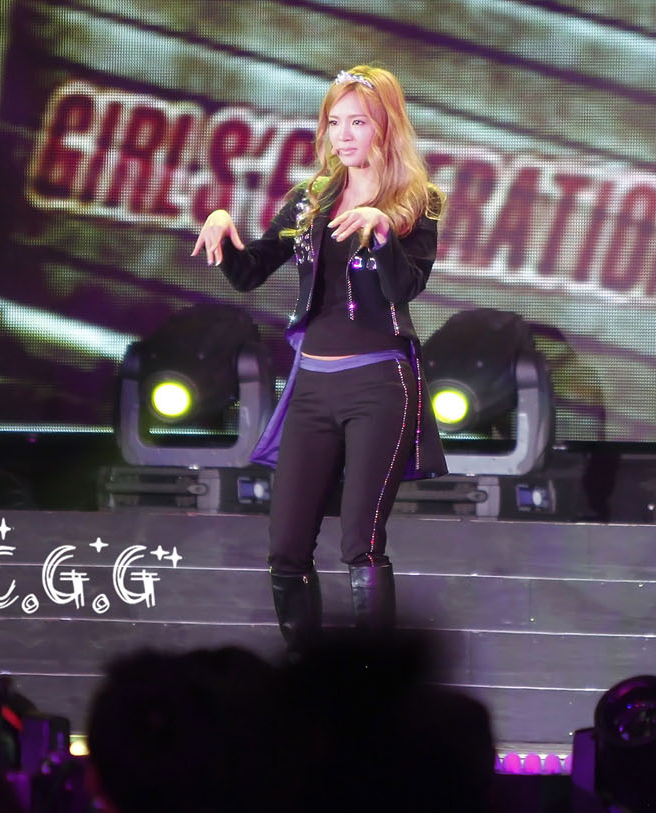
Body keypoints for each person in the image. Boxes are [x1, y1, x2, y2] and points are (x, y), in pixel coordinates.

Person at [191, 66, 447, 657]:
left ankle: (375, 685)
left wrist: (381, 233)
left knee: (361, 543)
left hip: (380, 386)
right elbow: (251, 272)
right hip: (312, 387)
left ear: (386, 126)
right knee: (286, 548)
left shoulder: (418, 202)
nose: (343, 135)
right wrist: (225, 228)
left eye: (358, 122)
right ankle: (306, 681)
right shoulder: (310, 199)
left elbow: (405, 289)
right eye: (335, 123)